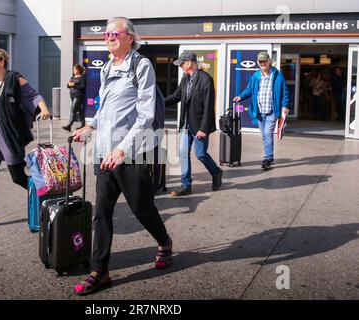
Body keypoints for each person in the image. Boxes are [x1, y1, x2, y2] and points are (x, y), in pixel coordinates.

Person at [71, 17, 173, 295]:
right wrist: (90, 126)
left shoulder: (141, 66)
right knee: (101, 213)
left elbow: (146, 114)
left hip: (130, 155)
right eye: (106, 34)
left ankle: (164, 242)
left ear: (130, 37)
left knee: (142, 209)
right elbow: (105, 108)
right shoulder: (106, 67)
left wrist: (123, 149)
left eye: (114, 33)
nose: (109, 38)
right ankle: (99, 271)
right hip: (104, 153)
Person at [0, 46, 50, 229]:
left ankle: (46, 195)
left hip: (9, 136)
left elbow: (34, 95)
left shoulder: (14, 79)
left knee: (18, 177)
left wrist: (43, 108)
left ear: (1, 62)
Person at [164, 51, 223, 197]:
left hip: (199, 126)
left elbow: (209, 107)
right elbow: (176, 96)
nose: (180, 67)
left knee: (200, 154)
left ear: (189, 63)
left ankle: (216, 172)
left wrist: (203, 128)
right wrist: (159, 102)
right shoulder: (185, 78)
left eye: (182, 64)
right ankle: (186, 185)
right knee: (183, 154)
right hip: (185, 124)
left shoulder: (206, 80)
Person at [233, 51, 289, 170]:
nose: (263, 63)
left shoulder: (277, 75)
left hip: (272, 110)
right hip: (259, 111)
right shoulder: (256, 75)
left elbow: (285, 91)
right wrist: (241, 96)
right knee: (264, 135)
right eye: (260, 61)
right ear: (258, 63)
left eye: (265, 61)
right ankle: (270, 157)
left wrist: (285, 105)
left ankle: (267, 158)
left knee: (268, 133)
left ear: (269, 61)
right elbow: (249, 89)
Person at [62, 64, 86, 131]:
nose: (74, 70)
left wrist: (74, 85)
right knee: (79, 110)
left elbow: (82, 87)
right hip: (72, 95)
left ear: (78, 70)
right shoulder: (72, 77)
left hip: (78, 96)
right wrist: (69, 85)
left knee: (73, 109)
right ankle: (83, 124)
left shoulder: (82, 78)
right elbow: (68, 85)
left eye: (75, 69)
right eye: (73, 69)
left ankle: (69, 124)